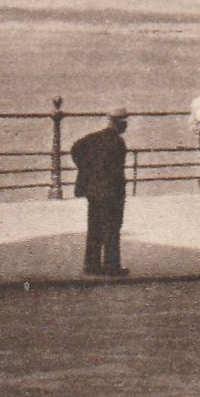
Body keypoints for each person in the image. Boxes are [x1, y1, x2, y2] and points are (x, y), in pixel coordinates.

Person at [71, 108, 130, 277]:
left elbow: (75, 149)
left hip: (94, 190)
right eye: (124, 122)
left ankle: (92, 264)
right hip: (112, 191)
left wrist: (86, 170)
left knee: (94, 226)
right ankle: (112, 266)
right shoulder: (118, 143)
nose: (126, 126)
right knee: (112, 228)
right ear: (118, 122)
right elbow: (117, 170)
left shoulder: (93, 138)